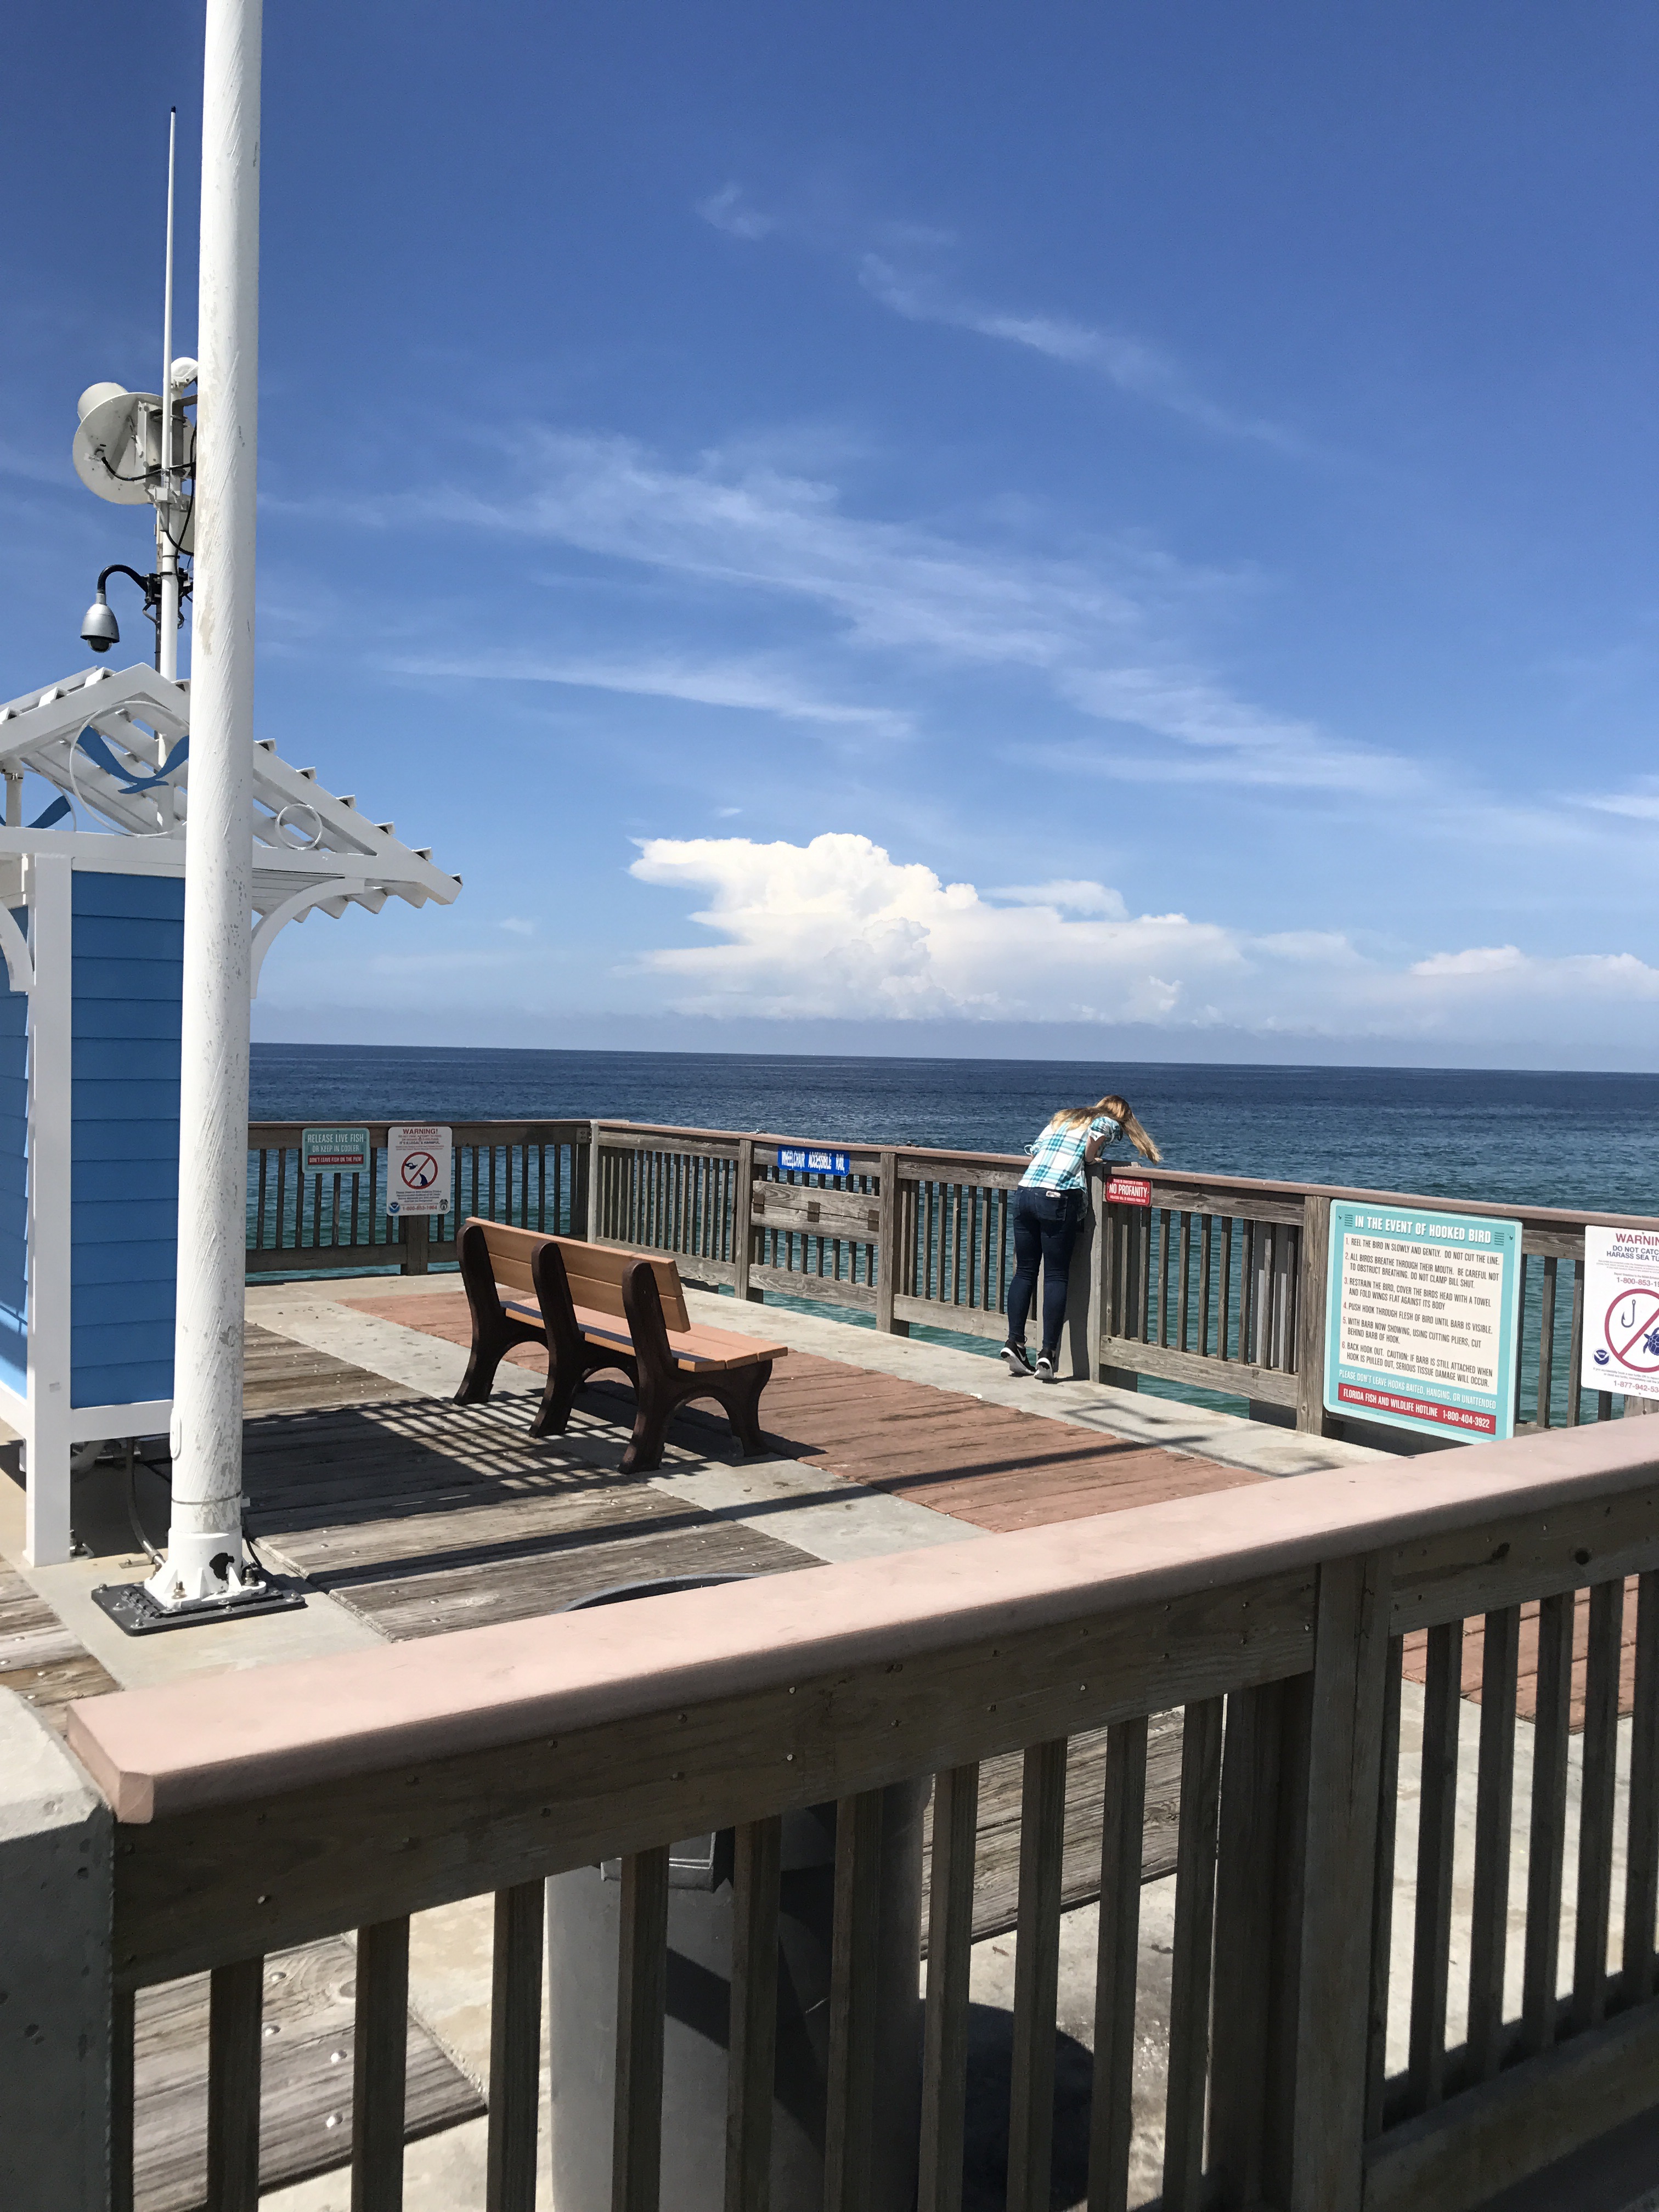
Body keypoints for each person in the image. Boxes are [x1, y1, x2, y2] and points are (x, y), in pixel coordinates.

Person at [1001, 1092, 1161, 1382]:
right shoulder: (1107, 1121)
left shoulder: (1064, 1118)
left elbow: (1035, 1152)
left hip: (1025, 1192)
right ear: (1121, 1116)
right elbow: (1091, 1148)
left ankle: (1015, 1342)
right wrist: (1093, 1156)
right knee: (1056, 1275)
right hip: (1057, 1196)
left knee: (1024, 1271)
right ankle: (1047, 1353)